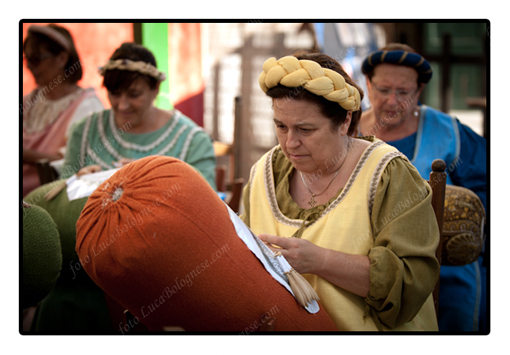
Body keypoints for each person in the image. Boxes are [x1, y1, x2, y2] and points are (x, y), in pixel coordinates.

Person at [240, 50, 440, 331]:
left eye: (305, 130)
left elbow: (410, 283)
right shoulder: (264, 172)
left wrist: (321, 260)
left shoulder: (386, 174)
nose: (290, 143)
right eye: (281, 127)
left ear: (345, 121)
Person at [359, 43, 487, 332]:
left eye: (403, 92)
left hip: (447, 270)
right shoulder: (347, 128)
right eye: (383, 89)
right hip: (364, 267)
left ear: (418, 92)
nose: (392, 101)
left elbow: (490, 184)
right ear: (368, 85)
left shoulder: (448, 131)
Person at [60, 42, 216, 190]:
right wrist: (76, 184)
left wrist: (154, 179)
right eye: (114, 94)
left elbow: (208, 205)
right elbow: (58, 195)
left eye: (134, 95)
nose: (122, 105)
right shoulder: (86, 131)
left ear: (155, 88)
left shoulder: (192, 141)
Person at [22, 24, 104, 197]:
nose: (29, 66)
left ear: (62, 58)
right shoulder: (29, 101)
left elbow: (76, 163)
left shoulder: (87, 106)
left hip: (52, 200)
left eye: (36, 59)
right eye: (26, 58)